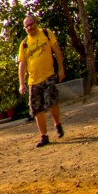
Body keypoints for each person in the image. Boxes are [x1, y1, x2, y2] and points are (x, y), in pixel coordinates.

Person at [16, 14, 66, 147]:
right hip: (33, 81)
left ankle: (57, 124)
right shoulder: (24, 44)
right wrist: (21, 83)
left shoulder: (46, 33)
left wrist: (61, 69)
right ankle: (44, 136)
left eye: (31, 24)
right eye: (26, 26)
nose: (29, 27)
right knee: (37, 109)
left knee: (52, 102)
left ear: (36, 23)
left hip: (48, 75)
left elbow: (56, 50)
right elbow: (22, 64)